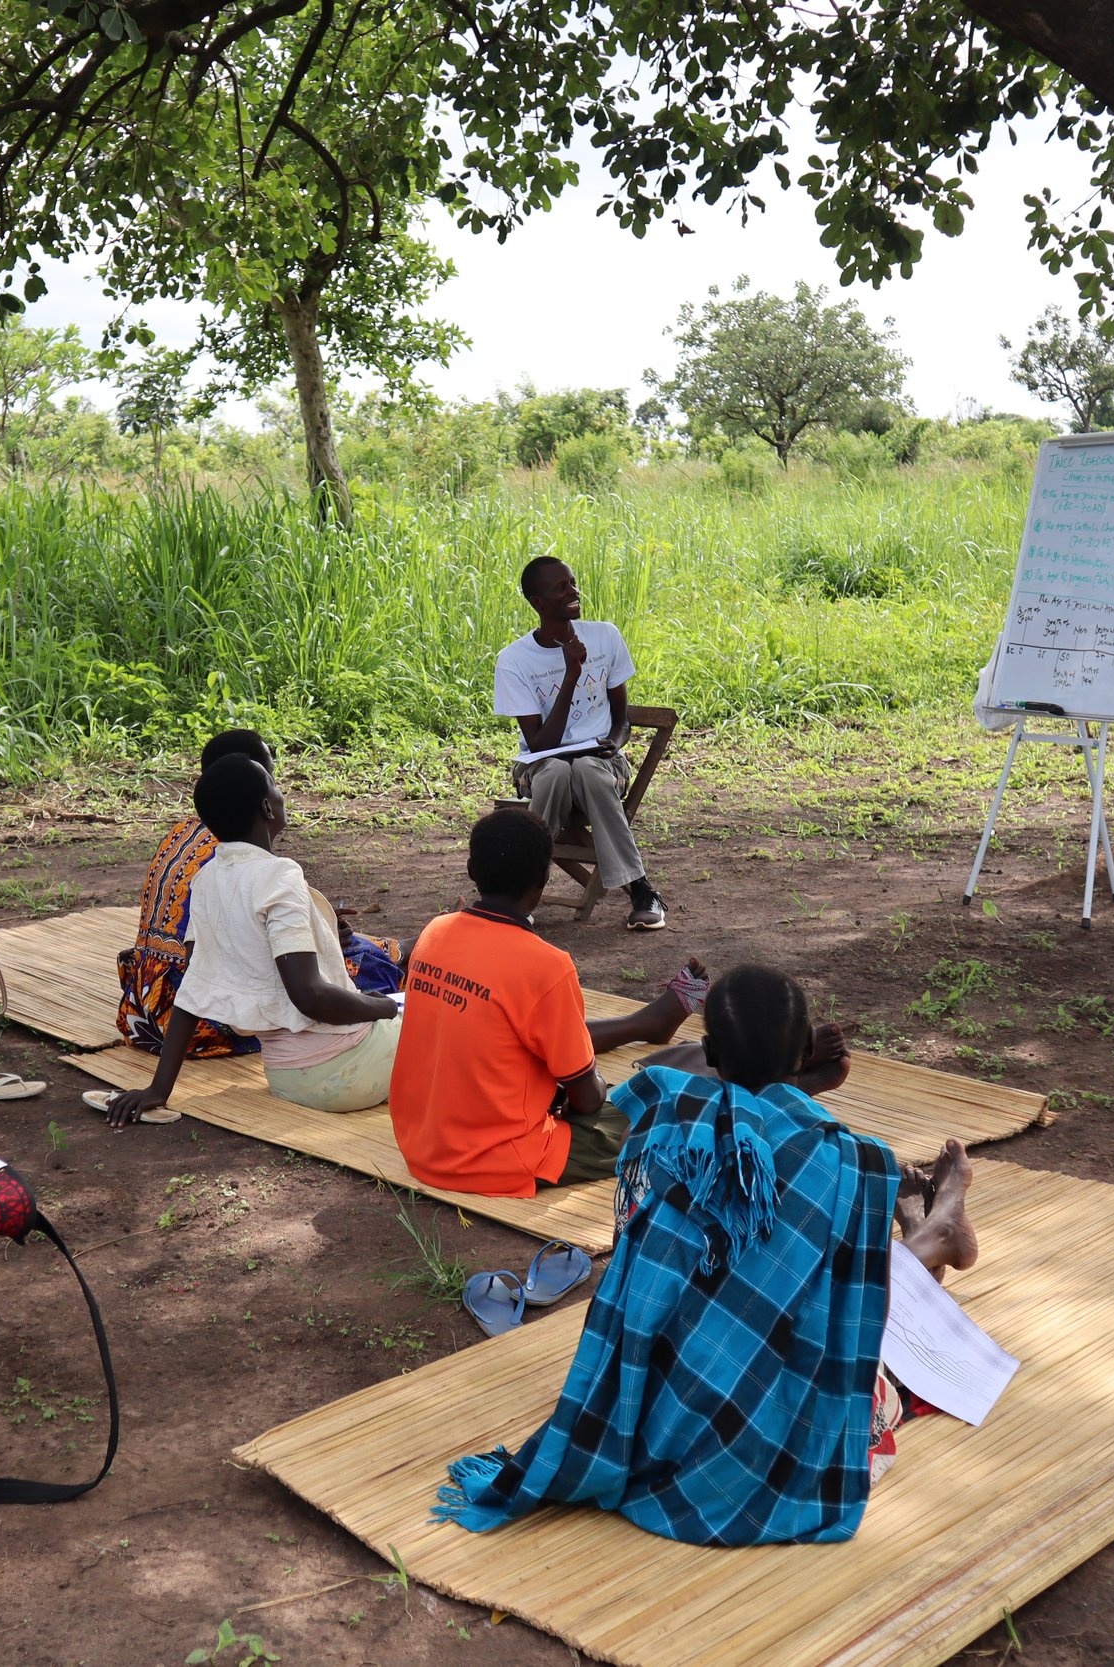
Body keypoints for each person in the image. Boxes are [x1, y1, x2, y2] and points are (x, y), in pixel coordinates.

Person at [433, 964, 979, 1547]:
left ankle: (931, 1232)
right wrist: (795, 1083)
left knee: (758, 1267)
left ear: (712, 1051)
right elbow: (854, 1311)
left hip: (655, 1415)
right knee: (858, 1330)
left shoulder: (668, 1125)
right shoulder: (854, 1162)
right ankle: (934, 1232)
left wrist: (786, 1083)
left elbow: (635, 1269)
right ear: (803, 1052)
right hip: (760, 1454)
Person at [387, 808, 698, 1198]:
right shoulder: (547, 966)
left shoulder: (434, 933)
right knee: (659, 1112)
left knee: (549, 1047)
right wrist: (576, 1092)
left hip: (420, 1143)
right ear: (542, 881)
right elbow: (588, 1099)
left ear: (470, 869)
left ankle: (646, 1024)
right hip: (492, 1159)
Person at [102, 755, 400, 1123]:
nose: (281, 795)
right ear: (266, 808)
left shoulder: (206, 880)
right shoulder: (279, 876)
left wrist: (159, 1089)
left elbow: (195, 985)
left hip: (286, 1079)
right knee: (433, 1021)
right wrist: (382, 1007)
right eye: (275, 786)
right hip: (346, 1071)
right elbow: (310, 996)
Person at [495, 555, 666, 930]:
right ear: (538, 602)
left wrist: (613, 744)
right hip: (540, 765)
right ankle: (524, 892)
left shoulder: (605, 636)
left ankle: (640, 891)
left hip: (600, 762)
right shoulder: (514, 660)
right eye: (562, 588)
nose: (574, 592)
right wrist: (571, 675)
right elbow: (540, 744)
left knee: (588, 768)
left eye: (573, 583)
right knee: (557, 771)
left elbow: (621, 721)